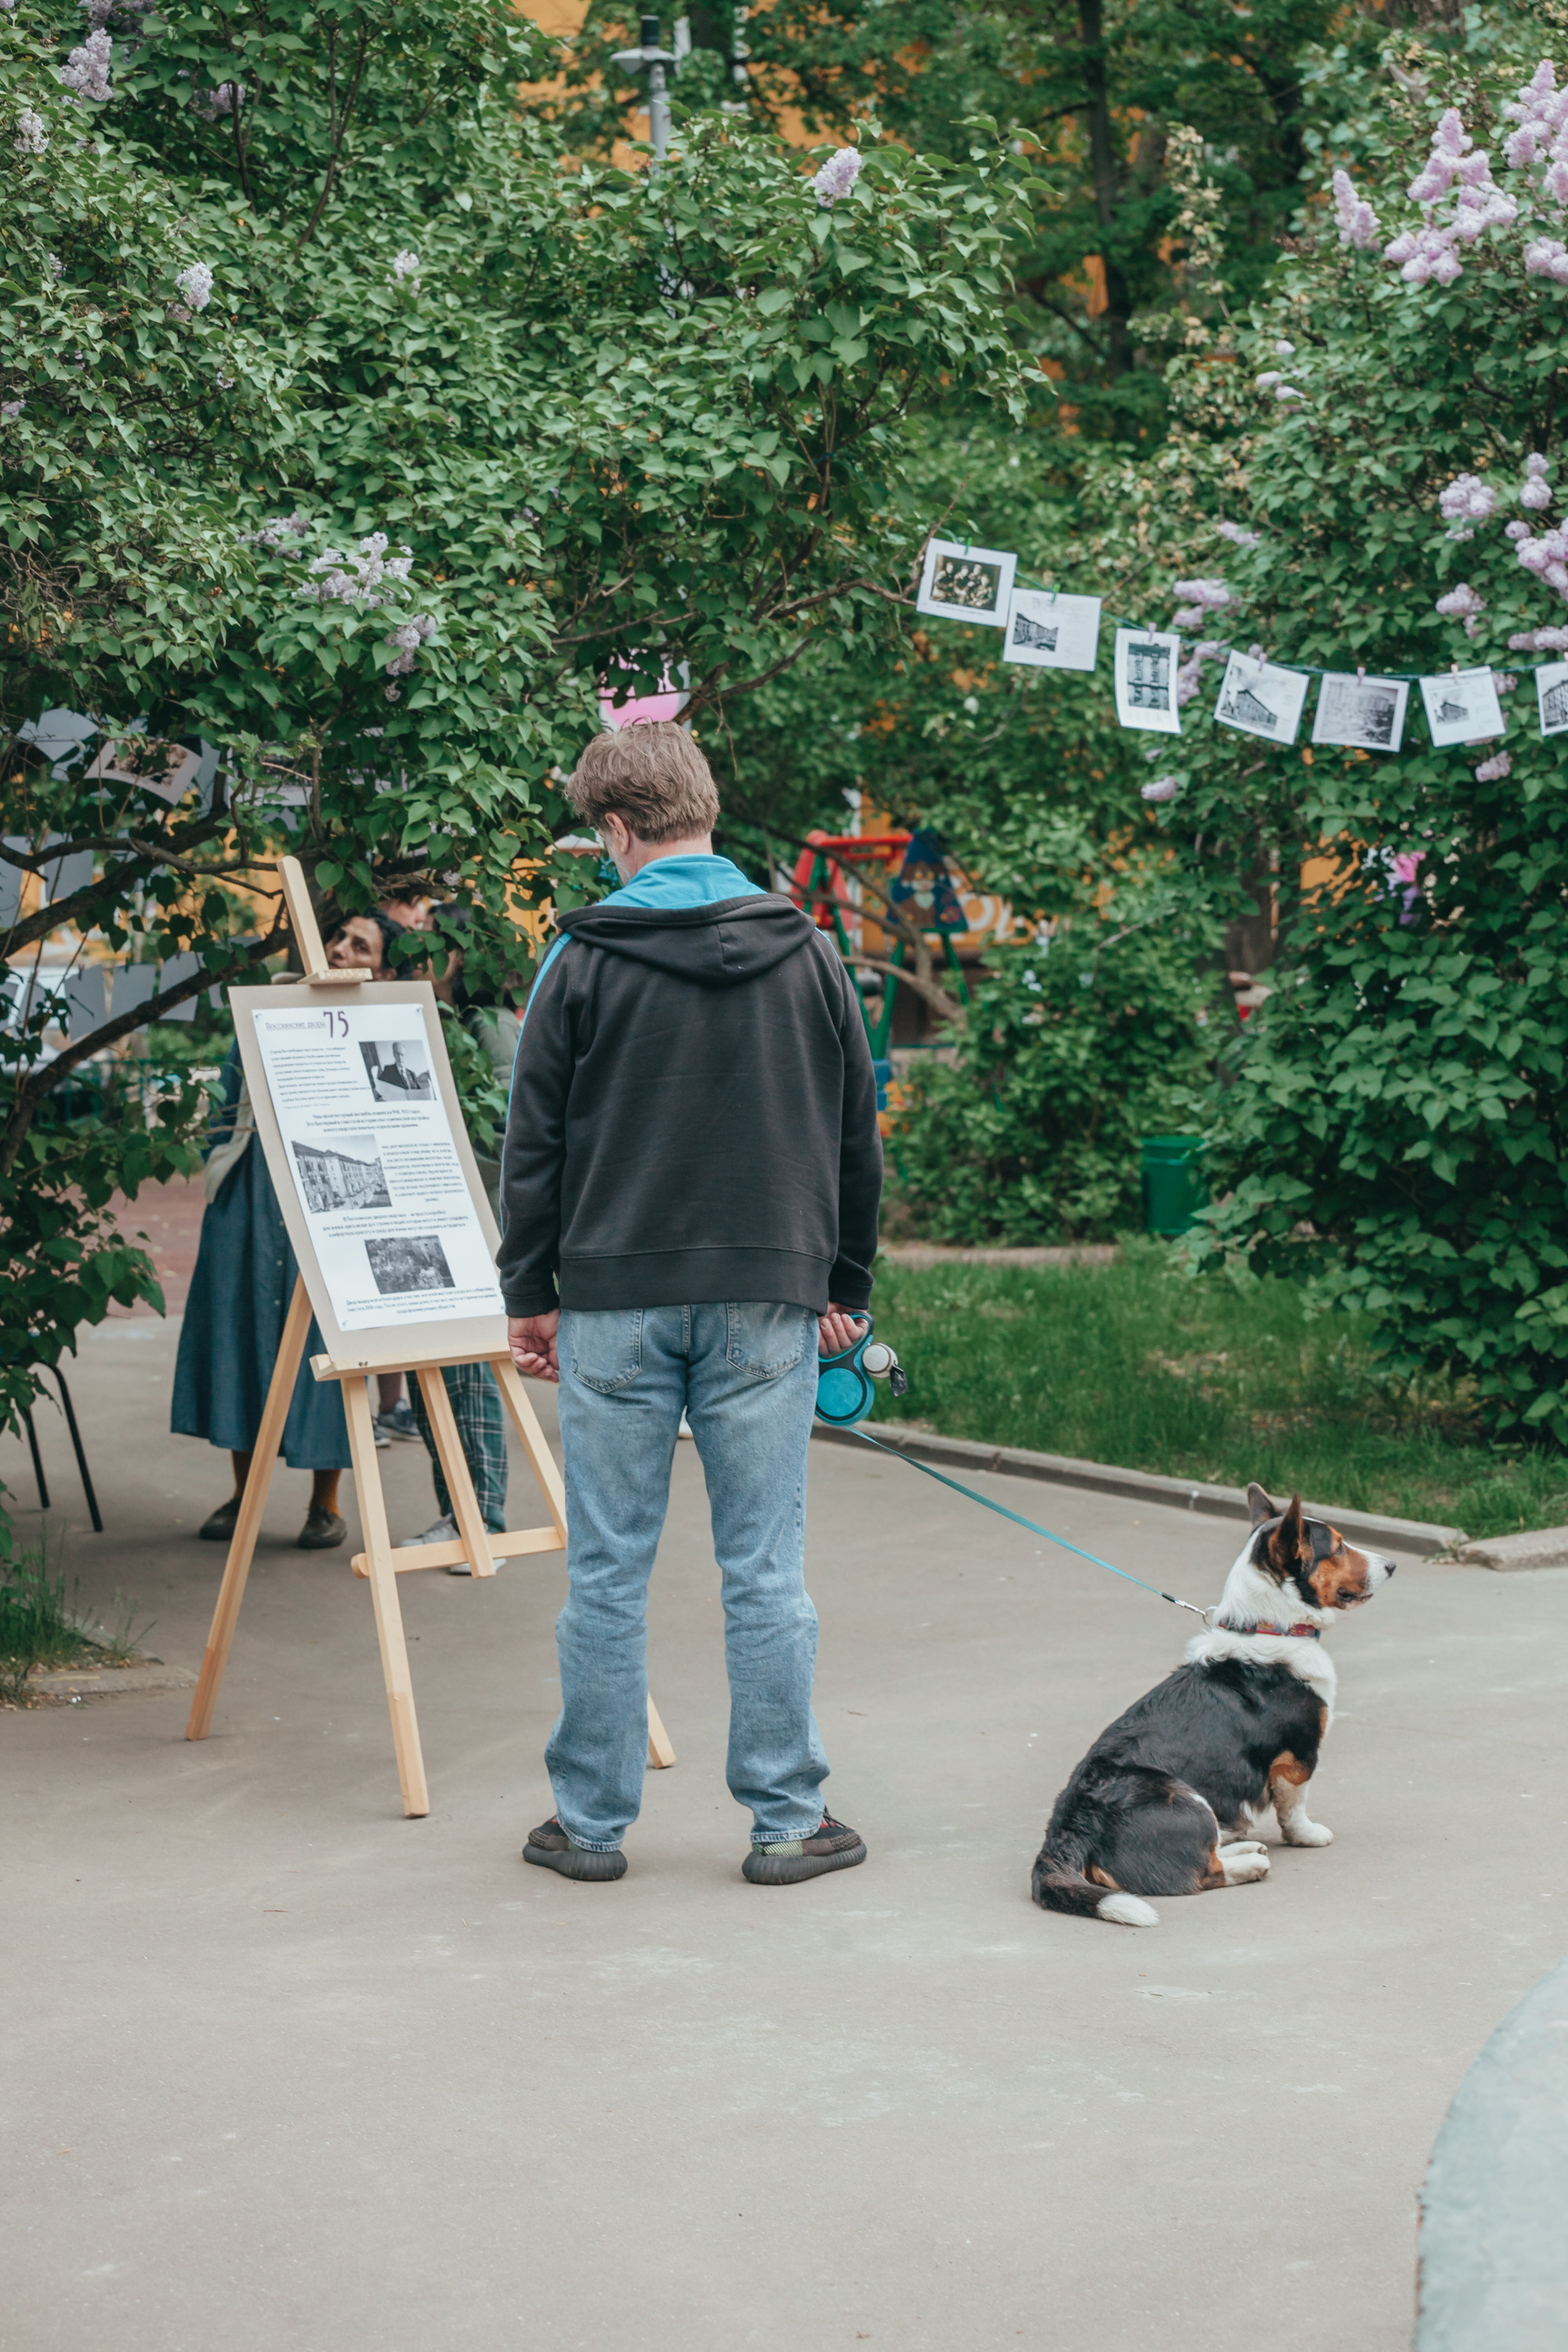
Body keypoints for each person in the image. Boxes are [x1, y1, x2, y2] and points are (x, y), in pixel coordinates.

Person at [499, 720, 881, 1886]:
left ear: (619, 829)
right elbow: (854, 1132)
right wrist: (841, 1287)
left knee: (606, 1571)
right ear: (707, 810)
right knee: (765, 1568)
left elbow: (536, 1144)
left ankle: (591, 1826)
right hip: (767, 1303)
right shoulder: (808, 951)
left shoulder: (580, 958)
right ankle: (786, 1820)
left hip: (613, 1301)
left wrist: (533, 1296)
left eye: (598, 840)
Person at [172, 910, 405, 1547]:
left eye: (362, 946)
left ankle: (324, 1506)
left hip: (338, 1203)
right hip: (251, 1199)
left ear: (382, 970)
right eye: (339, 937)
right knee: (243, 1337)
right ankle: (243, 1497)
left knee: (327, 1351)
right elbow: (226, 1100)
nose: (341, 949)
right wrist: (222, 1167)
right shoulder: (267, 1007)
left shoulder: (390, 1029)